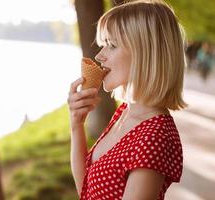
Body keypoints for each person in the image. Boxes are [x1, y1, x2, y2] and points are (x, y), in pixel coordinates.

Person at [67, 0, 188, 199]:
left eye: (111, 45)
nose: (99, 56)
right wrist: (76, 124)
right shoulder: (125, 112)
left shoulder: (154, 135)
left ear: (145, 53)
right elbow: (86, 191)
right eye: (103, 45)